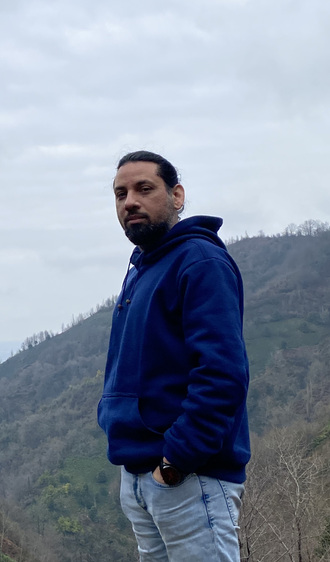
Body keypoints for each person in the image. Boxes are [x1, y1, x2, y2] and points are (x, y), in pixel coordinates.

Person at [98, 150, 250, 561]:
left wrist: (175, 462)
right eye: (120, 194)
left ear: (177, 196)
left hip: (189, 478)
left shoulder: (200, 262)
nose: (130, 201)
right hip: (142, 476)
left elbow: (222, 374)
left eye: (144, 188)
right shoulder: (143, 268)